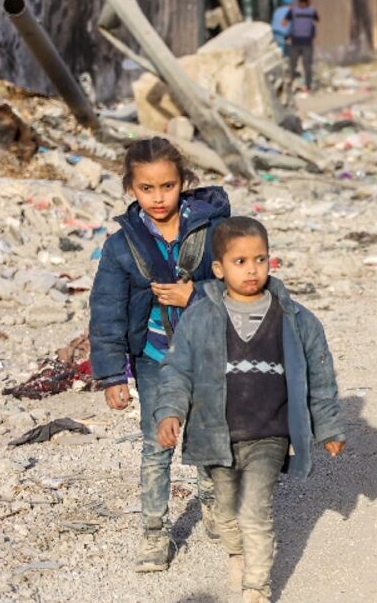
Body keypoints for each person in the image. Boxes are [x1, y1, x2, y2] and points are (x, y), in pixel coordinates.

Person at [155, 217, 344, 602]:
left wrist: (327, 428)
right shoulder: (201, 316)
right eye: (240, 262)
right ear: (219, 269)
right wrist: (170, 412)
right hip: (214, 433)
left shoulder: (294, 317)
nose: (252, 270)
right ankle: (237, 553)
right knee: (225, 510)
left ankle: (257, 588)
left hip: (269, 433)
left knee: (255, 509)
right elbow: (177, 368)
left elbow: (320, 376)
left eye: (260, 259)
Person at [89, 138, 231, 573]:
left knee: (209, 433)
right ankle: (154, 531)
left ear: (183, 182)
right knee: (157, 444)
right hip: (154, 358)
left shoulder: (212, 232)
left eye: (167, 186)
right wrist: (113, 376)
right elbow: (107, 311)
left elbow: (248, 284)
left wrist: (198, 293)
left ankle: (214, 507)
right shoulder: (121, 246)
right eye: (146, 188)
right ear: (131, 188)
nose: (157, 198)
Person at [283, 0, 319, 90]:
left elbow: (284, 23)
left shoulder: (293, 10)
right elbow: (317, 19)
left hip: (295, 41)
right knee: (307, 65)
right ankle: (308, 86)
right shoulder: (312, 10)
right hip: (307, 42)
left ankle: (290, 86)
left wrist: (288, 33)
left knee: (292, 65)